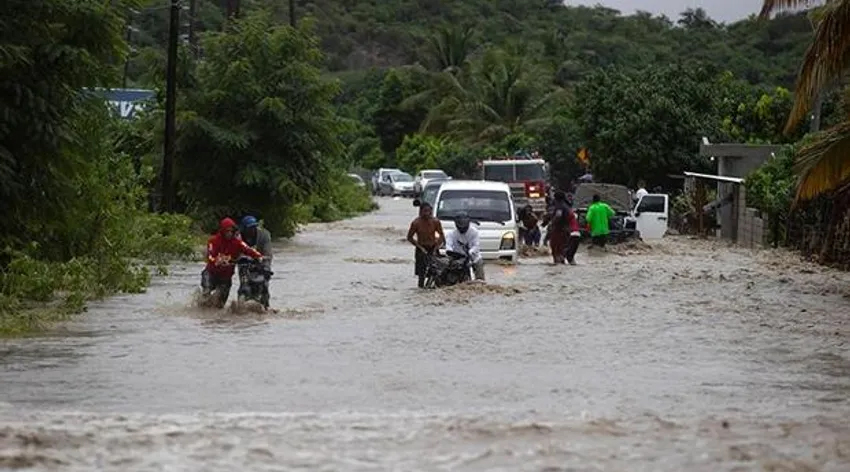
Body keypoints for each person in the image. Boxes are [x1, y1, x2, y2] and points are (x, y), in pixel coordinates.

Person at [202, 217, 264, 305]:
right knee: (206, 293)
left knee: (220, 304)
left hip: (226, 277)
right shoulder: (213, 241)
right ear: (222, 231)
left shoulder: (237, 243)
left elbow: (248, 250)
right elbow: (210, 256)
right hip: (211, 273)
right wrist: (216, 261)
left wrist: (259, 256)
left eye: (231, 231)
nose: (229, 233)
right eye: (227, 231)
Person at [407, 202, 445, 288]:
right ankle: (421, 290)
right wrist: (420, 247)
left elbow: (442, 236)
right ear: (420, 211)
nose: (427, 213)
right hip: (421, 249)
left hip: (433, 248)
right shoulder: (416, 223)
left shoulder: (435, 222)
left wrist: (436, 248)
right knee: (421, 274)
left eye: (429, 211)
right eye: (425, 211)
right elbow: (409, 237)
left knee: (437, 272)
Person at [445, 212, 485, 281]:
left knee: (479, 264)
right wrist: (451, 253)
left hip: (473, 256)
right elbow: (448, 246)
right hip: (458, 258)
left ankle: (480, 282)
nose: (462, 229)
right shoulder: (451, 234)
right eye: (460, 226)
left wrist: (470, 252)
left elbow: (476, 245)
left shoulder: (474, 232)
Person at [541, 191, 571, 264]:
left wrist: (551, 223)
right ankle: (561, 262)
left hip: (559, 230)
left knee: (556, 248)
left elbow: (558, 216)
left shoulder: (560, 206)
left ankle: (558, 262)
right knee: (562, 248)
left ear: (556, 198)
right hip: (566, 229)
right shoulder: (567, 206)